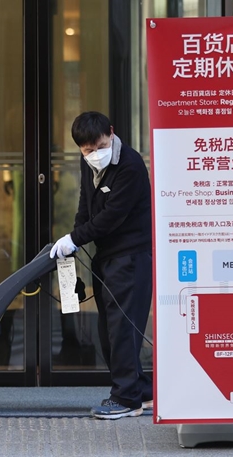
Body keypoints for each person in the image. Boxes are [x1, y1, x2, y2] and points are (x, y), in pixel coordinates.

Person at [50, 111, 153, 419]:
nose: (94, 154)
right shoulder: (90, 164)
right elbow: (87, 204)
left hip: (130, 257)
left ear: (111, 132)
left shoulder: (130, 166)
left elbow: (111, 217)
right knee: (108, 332)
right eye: (86, 150)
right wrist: (75, 235)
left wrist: (76, 238)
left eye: (98, 146)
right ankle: (141, 391)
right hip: (107, 257)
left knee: (122, 331)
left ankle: (126, 398)